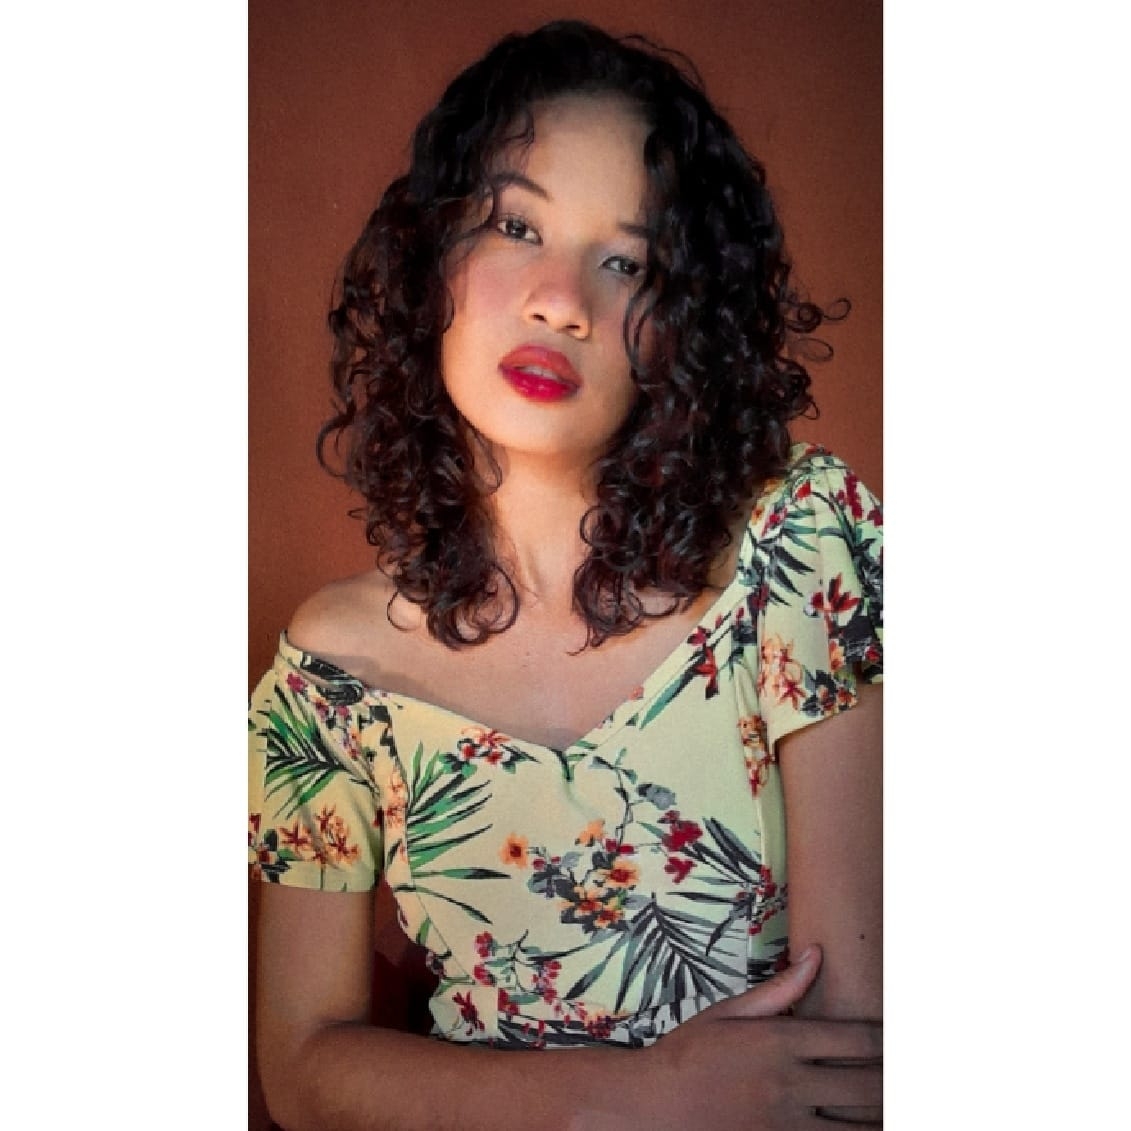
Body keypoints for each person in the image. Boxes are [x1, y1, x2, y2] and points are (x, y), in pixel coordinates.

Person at [248, 19, 882, 1130]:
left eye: (625, 261)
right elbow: (301, 1070)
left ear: (681, 323)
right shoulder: (328, 677)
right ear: (433, 256)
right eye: (515, 225)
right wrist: (650, 1097)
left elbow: (857, 1046)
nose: (562, 300)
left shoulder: (799, 547)